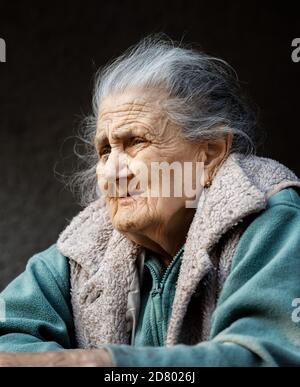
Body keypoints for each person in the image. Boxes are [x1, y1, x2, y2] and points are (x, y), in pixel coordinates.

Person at [1, 36, 300, 367]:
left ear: (209, 154)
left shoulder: (270, 218)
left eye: (135, 142)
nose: (112, 171)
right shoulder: (84, 250)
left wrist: (100, 365)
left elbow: (267, 357)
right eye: (104, 151)